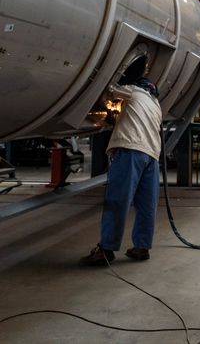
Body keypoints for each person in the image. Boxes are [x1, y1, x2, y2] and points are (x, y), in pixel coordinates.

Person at [80, 77, 162, 265]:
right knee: (147, 204)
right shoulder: (156, 105)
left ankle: (105, 250)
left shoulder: (134, 91)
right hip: (152, 156)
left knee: (118, 200)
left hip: (131, 149)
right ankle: (142, 247)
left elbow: (109, 88)